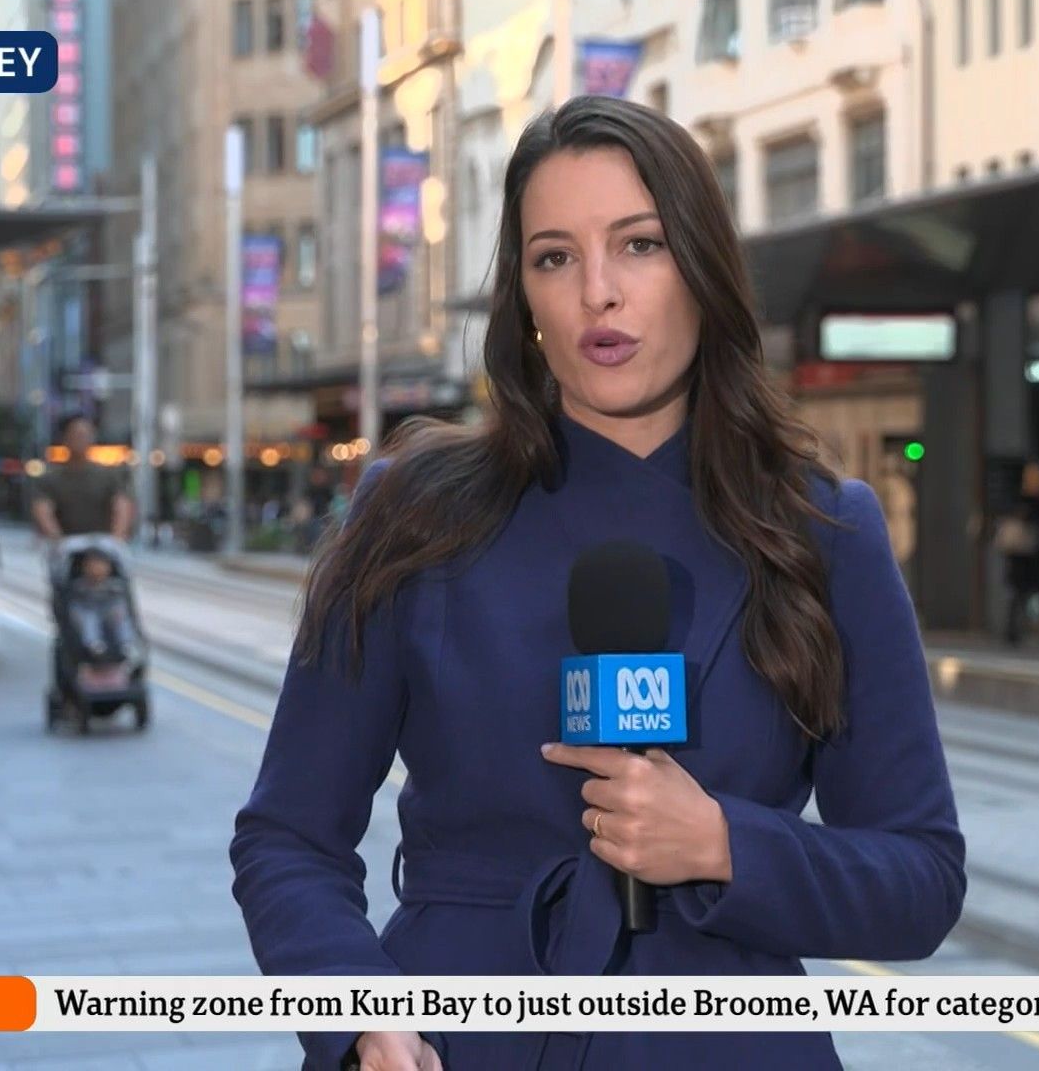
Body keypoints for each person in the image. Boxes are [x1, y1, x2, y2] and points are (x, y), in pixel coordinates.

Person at [229, 97, 965, 1071]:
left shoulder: (824, 530)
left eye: (639, 245)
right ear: (524, 298)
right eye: (554, 258)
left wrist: (723, 845)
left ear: (702, 268)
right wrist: (361, 1018)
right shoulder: (412, 512)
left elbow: (921, 878)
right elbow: (286, 838)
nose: (598, 294)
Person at [31, 414, 134, 578]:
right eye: (76, 435)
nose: (81, 439)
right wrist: (56, 538)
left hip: (103, 544)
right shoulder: (50, 478)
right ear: (65, 438)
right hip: (68, 546)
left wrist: (117, 538)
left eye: (86, 434)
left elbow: (121, 505)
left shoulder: (109, 475)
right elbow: (43, 509)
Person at [998, 462, 1039, 648]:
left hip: (1035, 557)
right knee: (1018, 595)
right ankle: (1013, 631)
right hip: (1022, 557)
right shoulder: (1021, 500)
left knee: (1038, 595)